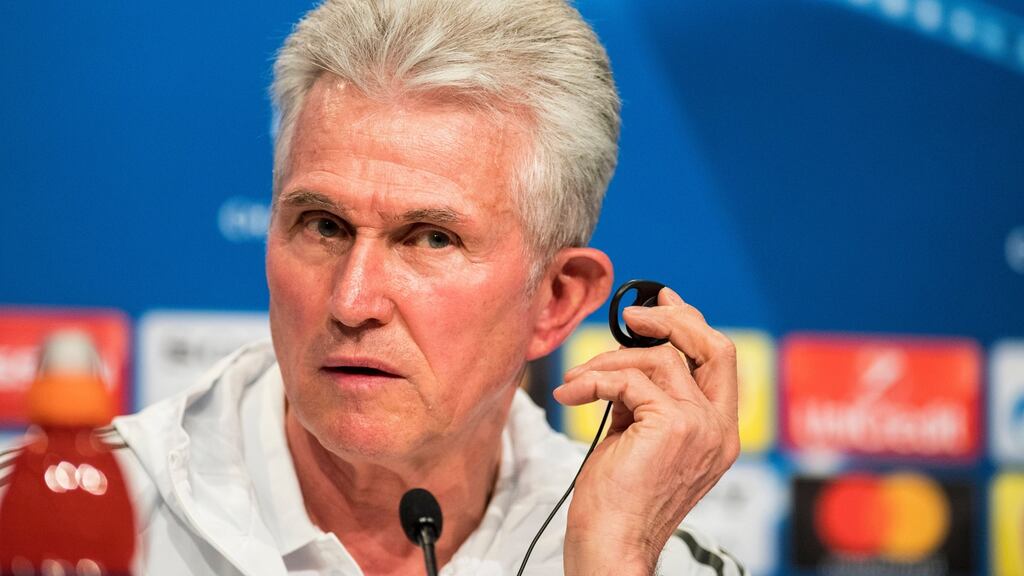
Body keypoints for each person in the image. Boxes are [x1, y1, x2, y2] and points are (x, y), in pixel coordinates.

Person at [82, 1, 744, 574]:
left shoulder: (657, 563)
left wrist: (608, 557)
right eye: (323, 225)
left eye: (430, 238)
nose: (352, 301)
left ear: (556, 299)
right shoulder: (61, 513)